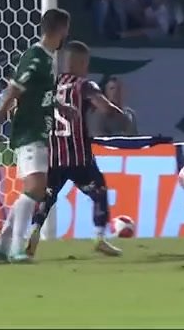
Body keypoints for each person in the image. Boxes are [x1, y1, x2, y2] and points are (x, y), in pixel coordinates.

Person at [0, 8, 72, 262]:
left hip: (40, 130)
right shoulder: (35, 56)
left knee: (36, 189)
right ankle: (16, 247)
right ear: (61, 29)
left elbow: (40, 95)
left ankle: (1, 246)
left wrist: (61, 107)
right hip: (29, 130)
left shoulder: (47, 58)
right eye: (66, 29)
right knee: (35, 188)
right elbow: (13, 90)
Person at [26, 41, 126, 258]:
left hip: (53, 154)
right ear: (81, 63)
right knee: (99, 191)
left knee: (47, 197)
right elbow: (105, 108)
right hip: (79, 156)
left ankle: (34, 230)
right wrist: (121, 114)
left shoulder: (50, 85)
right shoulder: (84, 85)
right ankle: (99, 237)